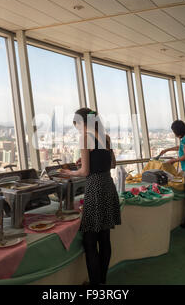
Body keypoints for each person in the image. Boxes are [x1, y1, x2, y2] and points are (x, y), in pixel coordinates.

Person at [61, 108, 121, 285]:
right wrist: (90, 159)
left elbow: (85, 171)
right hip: (108, 186)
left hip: (95, 187)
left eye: (77, 126)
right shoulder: (105, 137)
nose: (78, 130)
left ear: (83, 123)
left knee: (89, 241)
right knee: (104, 238)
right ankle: (102, 281)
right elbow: (112, 163)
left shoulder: (85, 137)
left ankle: (94, 285)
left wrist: (68, 172)